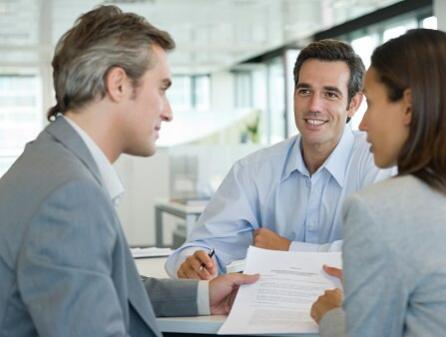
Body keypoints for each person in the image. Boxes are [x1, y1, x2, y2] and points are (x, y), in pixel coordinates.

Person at [0, 6, 258, 337]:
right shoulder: (69, 195)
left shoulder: (50, 164)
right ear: (119, 84)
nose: (168, 112)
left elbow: (110, 284)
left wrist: (204, 294)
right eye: (162, 88)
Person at [311, 28, 446, 337]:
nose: (362, 123)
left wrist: (333, 314)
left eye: (371, 104)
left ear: (409, 106)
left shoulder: (377, 209)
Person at [166, 39, 391, 280]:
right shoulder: (253, 170)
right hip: (267, 311)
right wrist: (193, 262)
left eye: (330, 94)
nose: (314, 106)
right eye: (305, 91)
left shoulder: (377, 163)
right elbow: (204, 244)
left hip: (348, 313)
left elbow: (383, 252)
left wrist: (288, 249)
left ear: (353, 104)